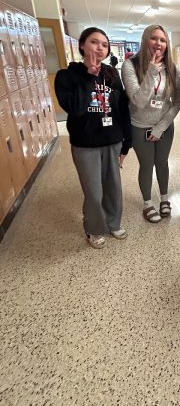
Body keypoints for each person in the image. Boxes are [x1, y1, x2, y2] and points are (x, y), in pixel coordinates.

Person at [55, 27, 131, 249]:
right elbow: (76, 108)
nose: (100, 47)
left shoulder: (111, 74)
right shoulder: (67, 76)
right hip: (85, 144)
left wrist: (127, 142)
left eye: (104, 45)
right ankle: (94, 228)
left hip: (113, 140)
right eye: (94, 42)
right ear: (82, 45)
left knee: (114, 188)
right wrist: (89, 75)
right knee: (94, 192)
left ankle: (113, 222)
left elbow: (122, 108)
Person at [121, 24, 180, 223]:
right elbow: (138, 100)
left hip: (164, 125)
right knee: (146, 165)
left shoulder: (171, 68)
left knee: (162, 163)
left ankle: (164, 199)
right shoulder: (130, 65)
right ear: (146, 40)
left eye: (163, 40)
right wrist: (152, 72)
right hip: (140, 125)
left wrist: (161, 126)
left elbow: (177, 101)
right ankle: (148, 203)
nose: (159, 43)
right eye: (154, 38)